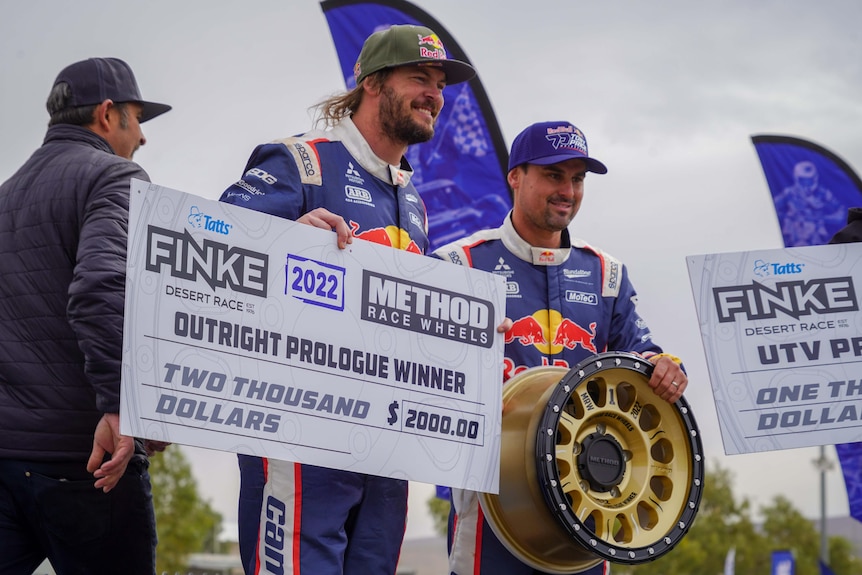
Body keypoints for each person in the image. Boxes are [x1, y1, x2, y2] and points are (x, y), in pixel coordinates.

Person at [219, 24, 475, 575]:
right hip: (299, 432)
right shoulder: (302, 162)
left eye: (440, 83)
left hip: (387, 440)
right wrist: (286, 235)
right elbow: (214, 243)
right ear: (373, 83)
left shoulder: (414, 202)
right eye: (419, 78)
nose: (435, 93)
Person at [434, 121, 689, 575]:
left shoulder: (607, 272)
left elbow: (640, 353)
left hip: (586, 503)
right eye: (554, 175)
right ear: (516, 176)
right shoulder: (459, 264)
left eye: (577, 179)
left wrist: (662, 366)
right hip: (494, 505)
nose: (567, 190)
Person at [0, 57, 171, 574]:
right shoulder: (114, 176)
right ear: (106, 114)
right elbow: (100, 289)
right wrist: (123, 405)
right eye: (137, 118)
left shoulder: (6, 196)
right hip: (87, 461)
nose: (141, 136)